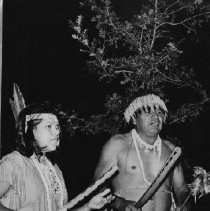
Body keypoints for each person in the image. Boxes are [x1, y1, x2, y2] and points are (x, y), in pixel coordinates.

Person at [0, 103, 113, 211]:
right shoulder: (14, 162)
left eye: (57, 126)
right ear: (29, 130)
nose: (56, 132)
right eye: (49, 126)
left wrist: (88, 207)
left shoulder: (55, 169)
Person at [94, 93, 190, 211]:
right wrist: (119, 204)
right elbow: (97, 187)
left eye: (159, 113)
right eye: (148, 112)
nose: (155, 116)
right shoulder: (117, 144)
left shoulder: (172, 150)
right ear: (134, 119)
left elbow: (181, 189)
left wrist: (184, 204)